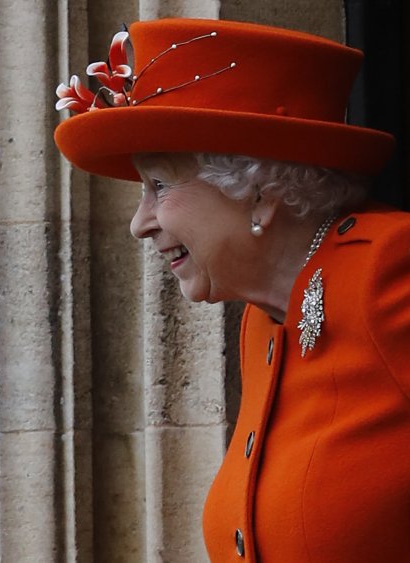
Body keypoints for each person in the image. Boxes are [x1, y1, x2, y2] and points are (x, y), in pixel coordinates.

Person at [54, 18, 410, 562]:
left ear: (258, 192)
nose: (139, 223)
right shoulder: (263, 323)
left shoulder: (390, 269)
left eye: (160, 186)